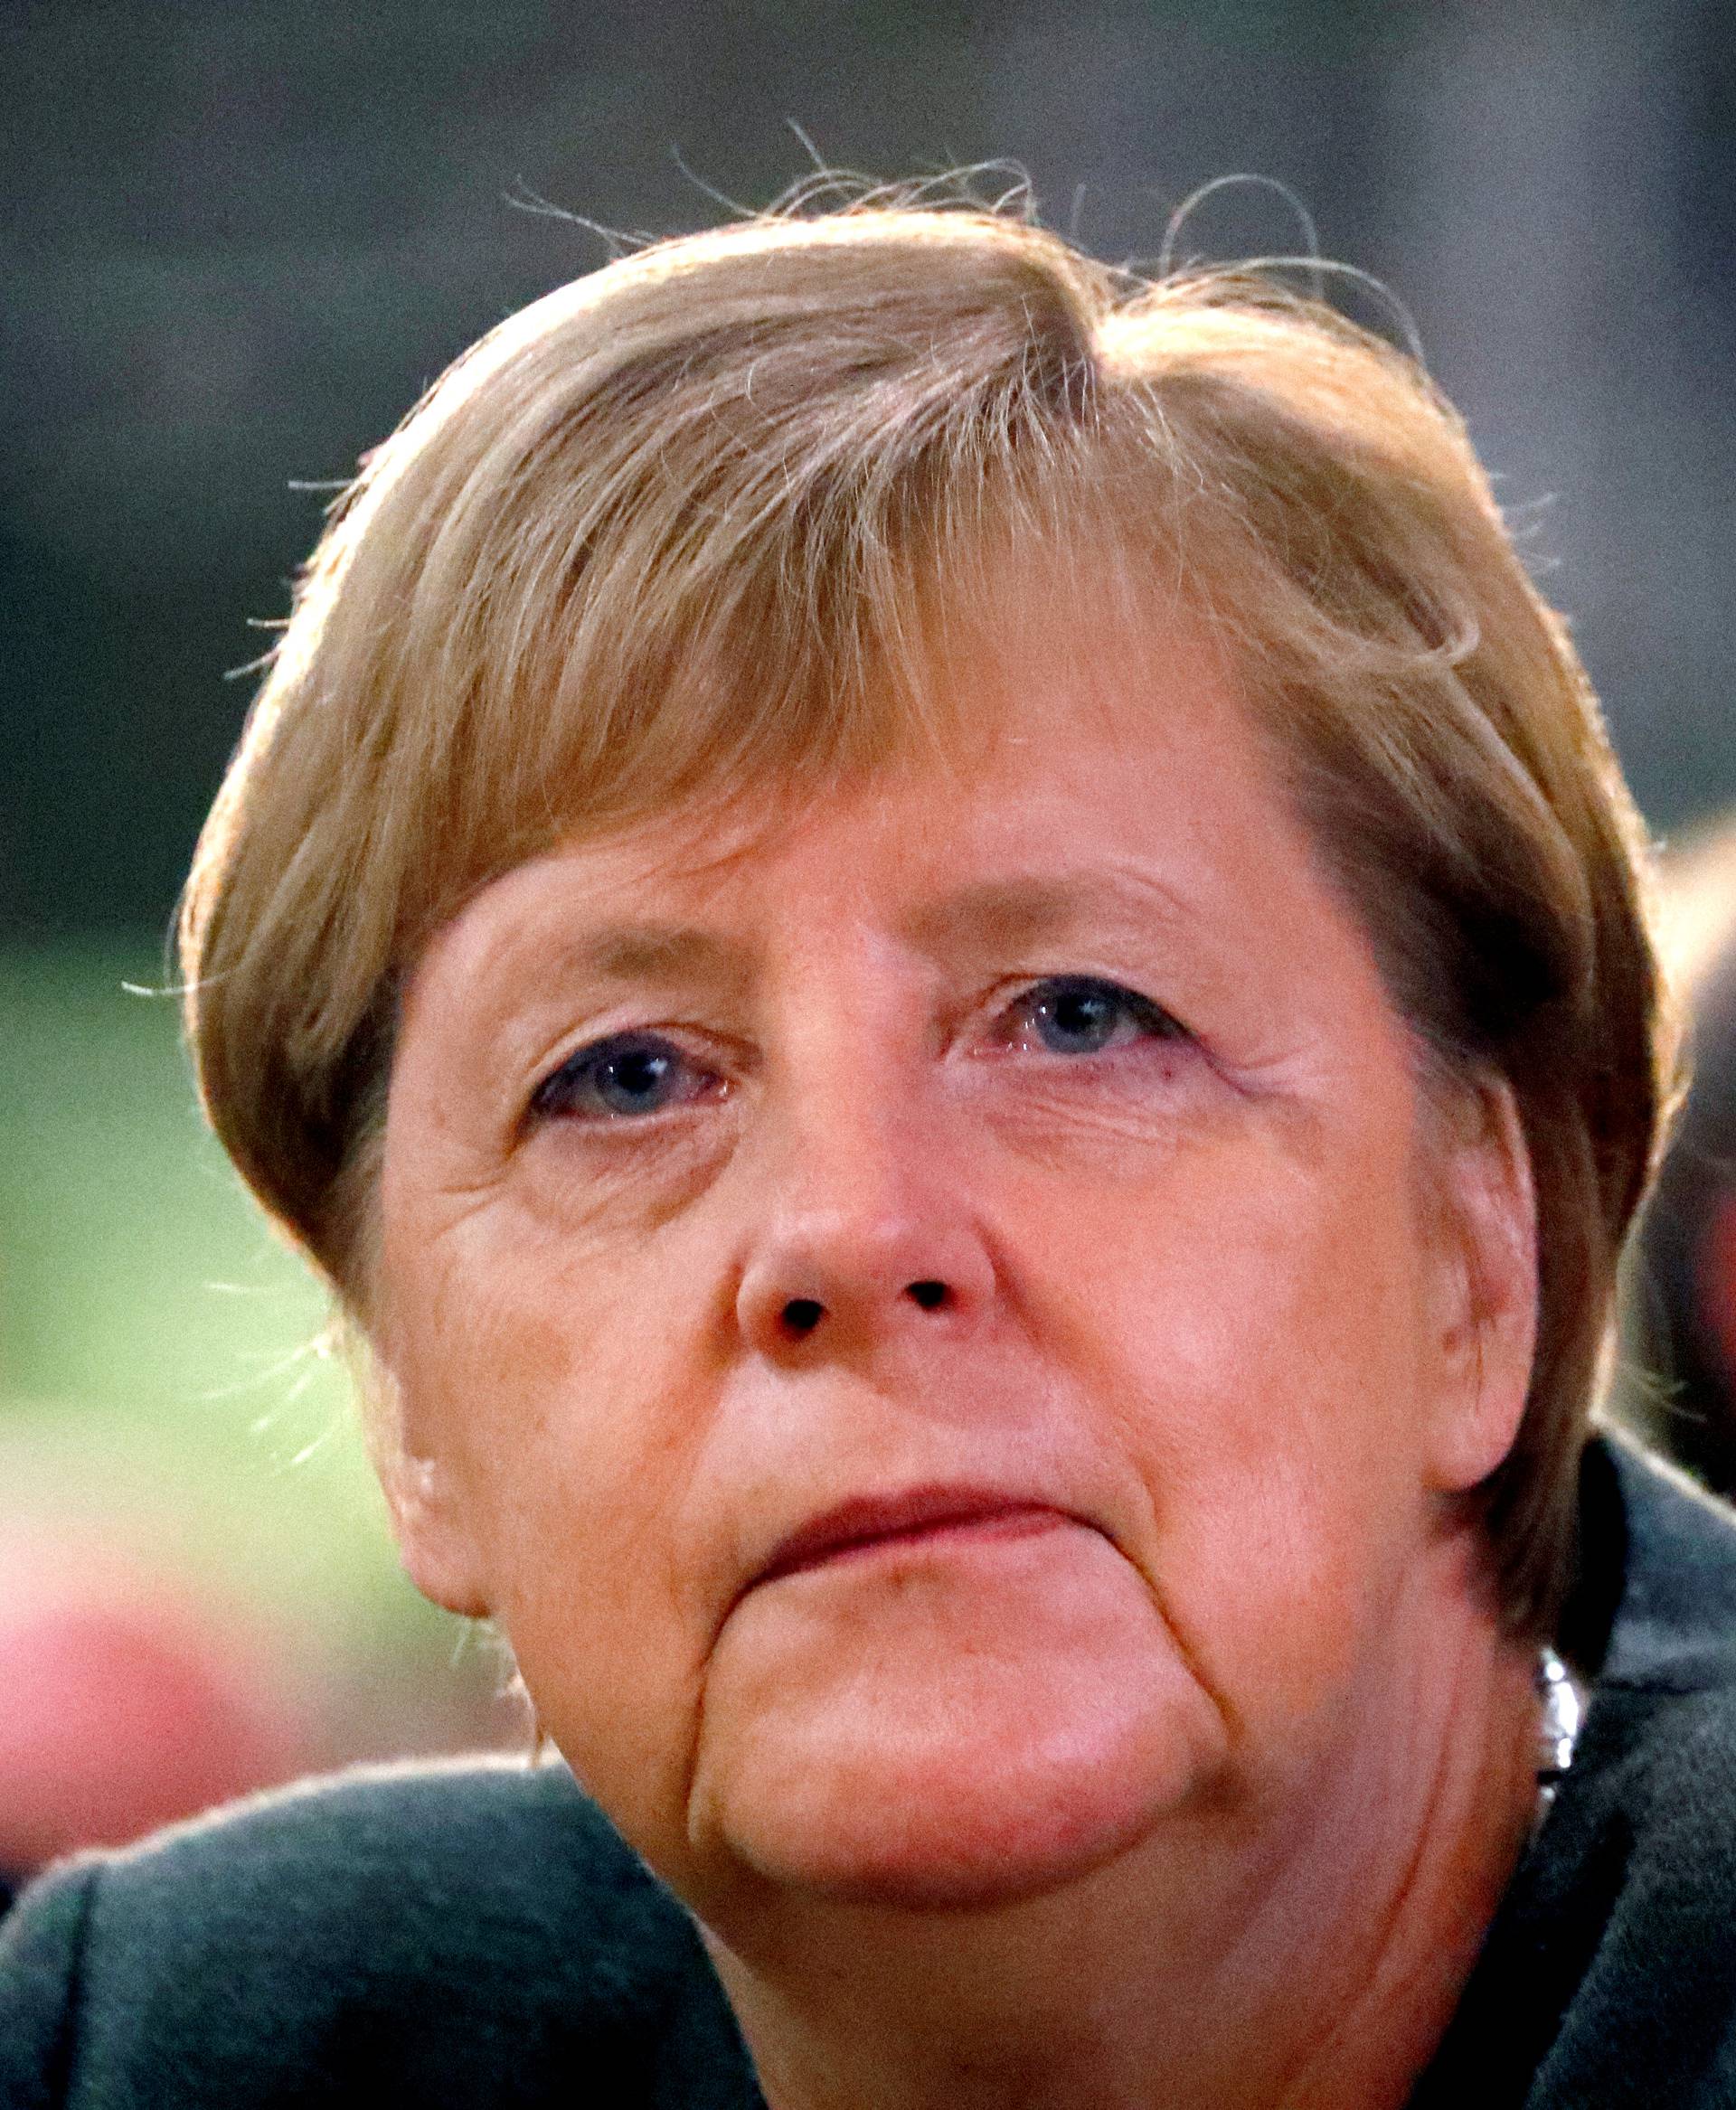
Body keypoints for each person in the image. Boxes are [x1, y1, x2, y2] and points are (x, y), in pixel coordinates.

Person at [5, 193, 1736, 2110]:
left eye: (1081, 1016)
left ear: (1475, 1256)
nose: (846, 1228)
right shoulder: (186, 2050)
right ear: (410, 1403)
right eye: (627, 1076)